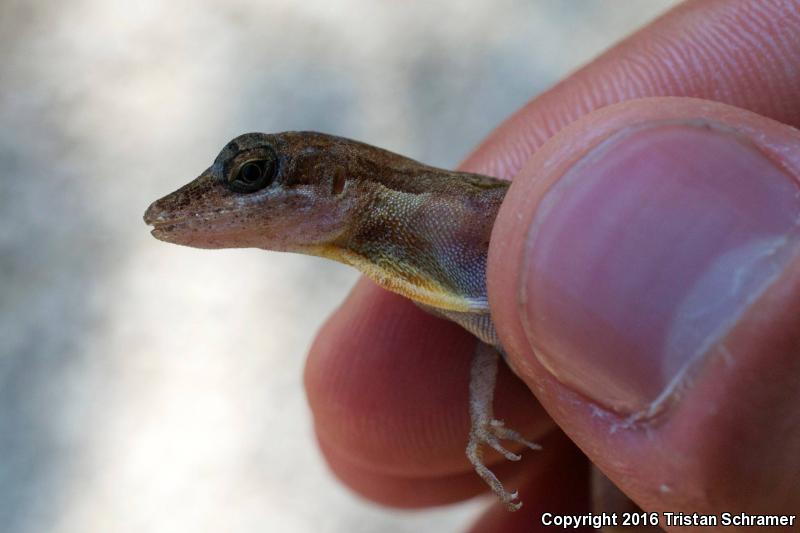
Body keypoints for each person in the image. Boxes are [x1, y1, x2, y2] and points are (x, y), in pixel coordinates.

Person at [303, 0, 800, 529]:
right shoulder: (413, 260)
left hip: (610, 395)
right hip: (606, 405)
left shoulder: (449, 216)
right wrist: (479, 422)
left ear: (334, 181)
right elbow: (484, 328)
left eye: (253, 176)